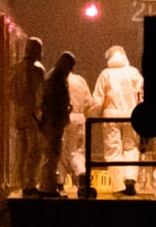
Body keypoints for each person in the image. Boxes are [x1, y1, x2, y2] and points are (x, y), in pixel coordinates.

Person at [88, 45, 144, 196]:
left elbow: (98, 100)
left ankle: (118, 186)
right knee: (131, 147)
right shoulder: (133, 72)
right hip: (132, 115)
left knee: (113, 149)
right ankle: (130, 180)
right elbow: (142, 94)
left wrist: (90, 116)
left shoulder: (105, 74)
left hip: (111, 115)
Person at [8, 37, 45, 196]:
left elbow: (9, 92)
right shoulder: (37, 69)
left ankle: (21, 181)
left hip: (18, 114)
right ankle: (30, 183)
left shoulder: (15, 69)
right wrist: (42, 114)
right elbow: (40, 95)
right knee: (34, 151)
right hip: (32, 115)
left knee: (22, 151)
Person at [37, 51, 74, 197]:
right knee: (51, 155)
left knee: (51, 154)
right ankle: (47, 187)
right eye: (70, 66)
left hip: (52, 121)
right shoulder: (56, 80)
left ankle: (47, 185)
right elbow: (53, 103)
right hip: (53, 122)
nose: (71, 70)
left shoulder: (53, 77)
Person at [59, 52, 95, 193]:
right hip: (79, 119)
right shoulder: (80, 81)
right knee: (77, 152)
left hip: (61, 119)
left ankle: (59, 183)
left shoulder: (56, 80)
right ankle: (81, 175)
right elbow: (89, 103)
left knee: (59, 152)